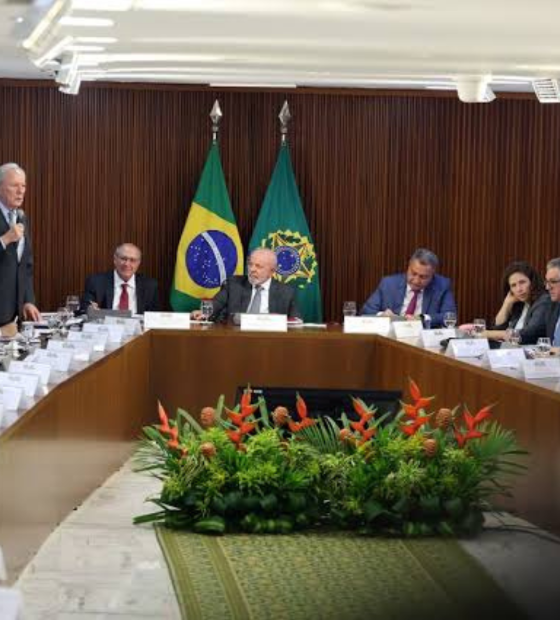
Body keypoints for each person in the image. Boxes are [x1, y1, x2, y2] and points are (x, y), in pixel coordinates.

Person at [194, 248, 300, 322]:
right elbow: (216, 303)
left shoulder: (286, 292)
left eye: (258, 266)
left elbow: (295, 321)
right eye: (250, 264)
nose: (252, 269)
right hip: (237, 337)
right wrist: (204, 312)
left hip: (271, 340)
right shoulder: (233, 284)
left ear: (272, 271)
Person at [361, 248, 456, 328]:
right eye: (413, 273)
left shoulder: (442, 286)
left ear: (432, 274)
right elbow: (366, 312)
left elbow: (449, 317)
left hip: (421, 337)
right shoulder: (389, 284)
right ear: (408, 267)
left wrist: (422, 319)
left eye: (423, 277)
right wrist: (382, 315)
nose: (416, 281)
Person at [0, 162, 41, 331]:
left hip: (14, 316)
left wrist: (27, 300)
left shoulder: (22, 217)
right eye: (14, 185)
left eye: (23, 186)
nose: (20, 191)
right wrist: (5, 239)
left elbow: (26, 266)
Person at [81, 243, 159, 314]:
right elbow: (85, 307)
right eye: (123, 259)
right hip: (106, 324)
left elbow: (154, 316)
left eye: (132, 260)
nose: (127, 264)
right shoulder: (96, 282)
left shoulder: (150, 286)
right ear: (115, 259)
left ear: (138, 263)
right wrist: (89, 309)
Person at [484, 261, 550, 344]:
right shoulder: (519, 303)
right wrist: (506, 304)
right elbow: (497, 329)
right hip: (512, 349)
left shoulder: (544, 301)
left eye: (522, 282)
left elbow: (530, 334)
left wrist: (487, 333)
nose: (519, 289)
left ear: (533, 282)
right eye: (513, 285)